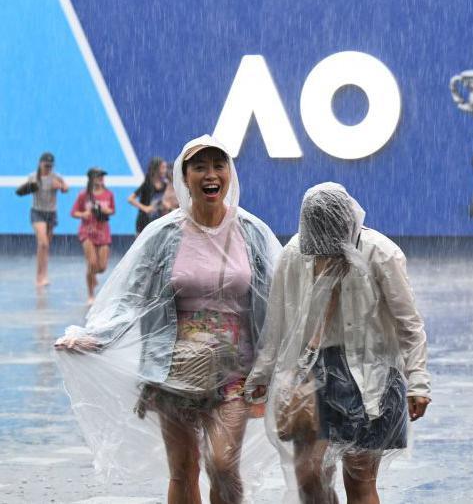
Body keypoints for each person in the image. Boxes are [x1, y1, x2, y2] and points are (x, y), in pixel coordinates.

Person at [55, 135, 282, 504]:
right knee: (183, 469)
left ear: (229, 174)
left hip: (235, 374)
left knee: (223, 466)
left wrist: (291, 354)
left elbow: (278, 300)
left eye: (218, 165)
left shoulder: (251, 232)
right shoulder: (163, 235)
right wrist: (95, 336)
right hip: (173, 371)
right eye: (200, 167)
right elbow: (131, 297)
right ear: (185, 176)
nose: (210, 174)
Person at [245, 182, 431, 504]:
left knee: (359, 480)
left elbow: (408, 322)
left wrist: (418, 381)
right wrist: (262, 374)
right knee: (308, 475)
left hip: (372, 373)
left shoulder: (380, 253)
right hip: (311, 374)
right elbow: (278, 322)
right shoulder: (294, 254)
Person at [18, 152, 68, 287]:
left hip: (51, 213)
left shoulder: (56, 177)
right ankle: (39, 277)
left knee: (45, 247)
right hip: (37, 212)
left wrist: (61, 186)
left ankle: (43, 274)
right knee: (43, 243)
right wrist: (29, 187)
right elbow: (21, 191)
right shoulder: (33, 177)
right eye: (46, 165)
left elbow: (66, 188)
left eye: (50, 166)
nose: (48, 168)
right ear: (40, 164)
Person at [71, 167, 115, 304]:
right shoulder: (83, 195)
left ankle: (92, 276)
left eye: (102, 175)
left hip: (103, 232)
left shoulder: (109, 194)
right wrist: (83, 214)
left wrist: (107, 210)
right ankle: (90, 295)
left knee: (101, 267)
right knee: (91, 263)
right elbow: (74, 212)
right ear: (91, 179)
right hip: (87, 231)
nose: (101, 178)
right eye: (98, 176)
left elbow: (112, 210)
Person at [128, 156, 170, 235]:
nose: (165, 170)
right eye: (163, 168)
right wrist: (145, 208)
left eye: (166, 168)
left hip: (156, 221)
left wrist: (165, 205)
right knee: (141, 246)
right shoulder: (147, 184)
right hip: (143, 221)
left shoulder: (165, 185)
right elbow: (130, 199)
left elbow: (161, 200)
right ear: (156, 169)